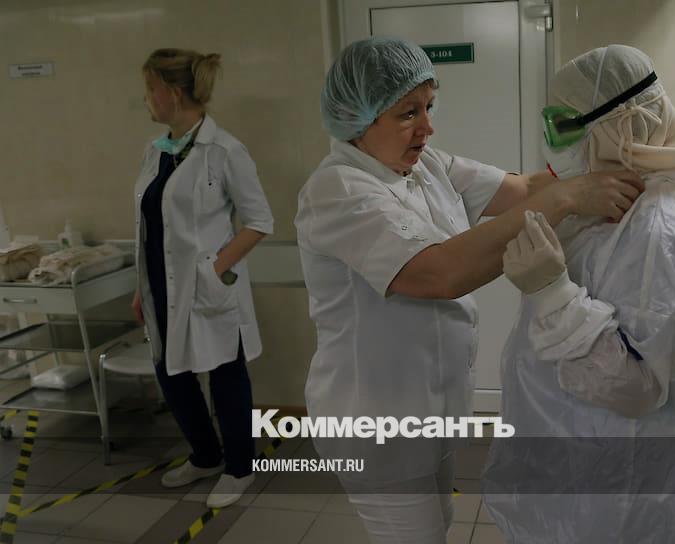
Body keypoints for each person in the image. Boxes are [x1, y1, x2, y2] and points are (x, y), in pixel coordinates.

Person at [294, 36, 645, 543]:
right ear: (359, 119)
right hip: (375, 422)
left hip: (425, 411)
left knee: (437, 525)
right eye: (408, 113)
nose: (427, 126)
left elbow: (524, 189)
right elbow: (439, 273)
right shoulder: (338, 190)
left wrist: (608, 162)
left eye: (429, 106)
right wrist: (569, 197)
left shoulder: (427, 165)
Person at [482, 44, 675, 543]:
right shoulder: (608, 207)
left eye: (564, 125)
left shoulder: (659, 232)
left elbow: (635, 387)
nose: (550, 141)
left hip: (612, 493)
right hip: (576, 468)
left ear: (620, 125)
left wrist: (554, 294)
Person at [132, 48, 274, 508]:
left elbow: (259, 221)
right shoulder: (156, 151)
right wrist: (142, 287)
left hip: (208, 285)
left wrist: (213, 270)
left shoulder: (225, 150)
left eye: (150, 89)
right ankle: (206, 455)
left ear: (173, 93)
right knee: (170, 372)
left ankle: (240, 467)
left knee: (226, 373)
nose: (145, 99)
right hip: (161, 284)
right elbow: (152, 227)